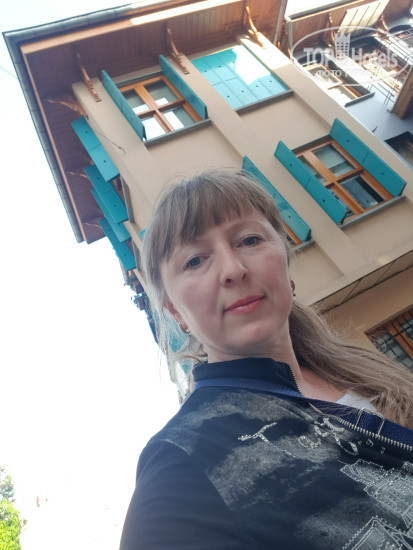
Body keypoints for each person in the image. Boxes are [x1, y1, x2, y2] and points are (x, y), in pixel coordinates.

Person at [120, 170, 413, 550]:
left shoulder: (362, 368)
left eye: (249, 240)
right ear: (175, 311)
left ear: (286, 263)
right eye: (194, 261)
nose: (233, 269)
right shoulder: (183, 461)